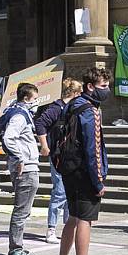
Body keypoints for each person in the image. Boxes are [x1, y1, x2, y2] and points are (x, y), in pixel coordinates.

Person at [51, 67, 112, 255]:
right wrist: (99, 181)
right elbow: (92, 149)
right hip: (84, 172)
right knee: (85, 219)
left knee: (74, 217)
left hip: (68, 168)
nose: (107, 90)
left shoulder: (71, 105)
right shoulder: (91, 111)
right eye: (104, 86)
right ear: (90, 87)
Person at [35, 78, 82, 244]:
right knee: (60, 191)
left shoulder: (72, 109)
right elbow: (40, 124)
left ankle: (69, 228)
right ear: (75, 94)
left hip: (71, 157)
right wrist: (45, 146)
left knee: (71, 193)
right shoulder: (56, 108)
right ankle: (51, 229)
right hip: (57, 156)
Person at [1, 83, 41, 255]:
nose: (36, 103)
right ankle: (16, 248)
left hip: (24, 165)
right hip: (26, 167)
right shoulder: (19, 115)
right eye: (34, 99)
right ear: (26, 98)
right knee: (22, 210)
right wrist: (20, 158)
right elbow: (9, 137)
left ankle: (16, 246)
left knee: (23, 209)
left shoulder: (15, 111)